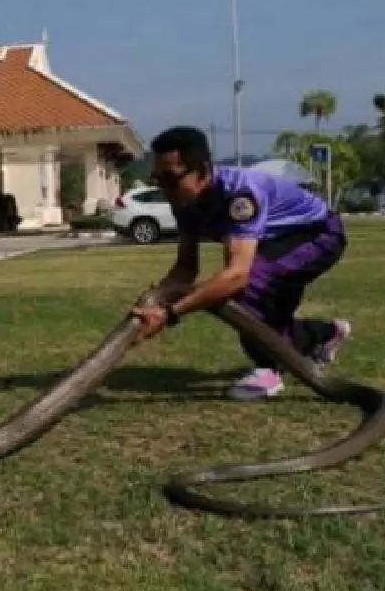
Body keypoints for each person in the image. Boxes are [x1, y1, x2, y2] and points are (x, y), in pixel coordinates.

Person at [130, 125, 351, 401]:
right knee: (269, 312)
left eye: (172, 179)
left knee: (245, 288)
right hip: (273, 241)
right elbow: (185, 269)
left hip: (317, 234)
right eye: (158, 179)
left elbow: (237, 274)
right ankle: (324, 334)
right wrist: (153, 303)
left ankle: (268, 371)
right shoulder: (184, 202)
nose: (165, 188)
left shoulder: (240, 194)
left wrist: (171, 314)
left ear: (202, 169)